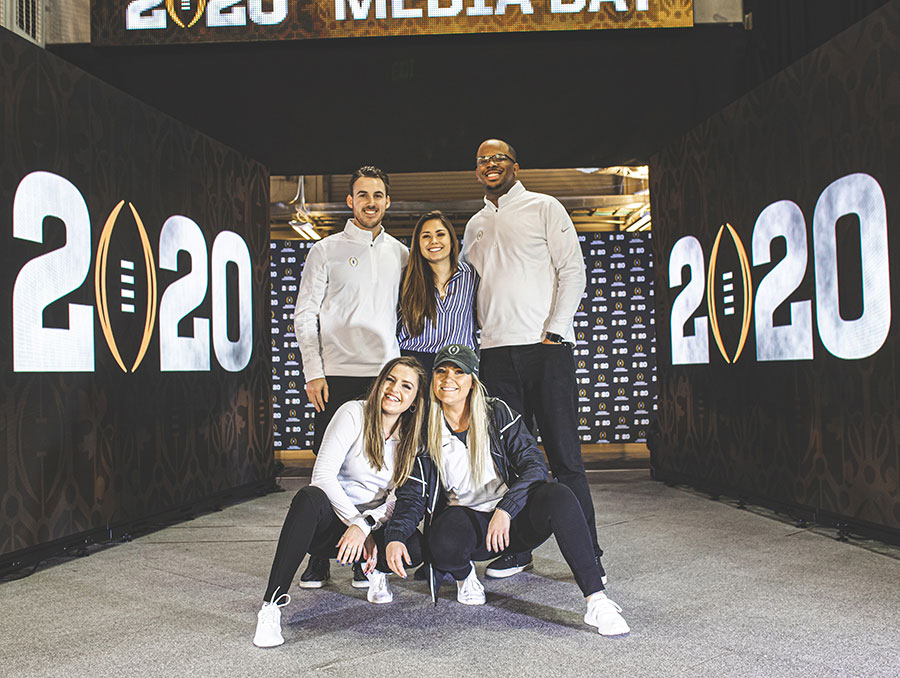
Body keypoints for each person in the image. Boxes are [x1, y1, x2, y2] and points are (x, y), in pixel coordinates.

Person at [383, 345, 629, 637]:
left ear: (473, 380)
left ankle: (596, 601)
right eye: (442, 371)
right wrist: (397, 535)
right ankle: (465, 577)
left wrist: (507, 508)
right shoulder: (424, 430)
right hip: (468, 524)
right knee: (442, 541)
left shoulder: (496, 411)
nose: (449, 378)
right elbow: (412, 494)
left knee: (559, 495)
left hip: (512, 520)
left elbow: (534, 465)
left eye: (459, 371)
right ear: (434, 380)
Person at [461, 139, 605, 581]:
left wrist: (555, 332)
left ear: (515, 166)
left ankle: (590, 556)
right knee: (510, 461)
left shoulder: (546, 206)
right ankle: (518, 550)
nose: (490, 165)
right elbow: (469, 288)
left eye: (498, 159)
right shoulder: (475, 224)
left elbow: (573, 270)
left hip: (546, 350)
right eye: (483, 160)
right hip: (495, 355)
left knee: (565, 459)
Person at [253, 357, 427, 648]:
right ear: (380, 381)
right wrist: (355, 523)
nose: (395, 389)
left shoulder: (413, 439)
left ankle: (376, 571)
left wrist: (367, 526)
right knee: (308, 499)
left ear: (414, 400)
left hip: (372, 524)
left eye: (406, 386)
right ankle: (271, 606)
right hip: (333, 523)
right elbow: (322, 477)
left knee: (414, 546)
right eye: (390, 379)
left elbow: (398, 498)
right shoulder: (352, 413)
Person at [293, 165, 408, 588]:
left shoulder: (401, 253)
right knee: (330, 468)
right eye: (363, 195)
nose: (371, 202)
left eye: (378, 195)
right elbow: (305, 315)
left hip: (384, 376)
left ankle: (366, 556)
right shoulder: (324, 250)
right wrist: (313, 371)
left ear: (387, 201)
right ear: (350, 201)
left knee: (380, 469)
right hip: (336, 375)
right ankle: (318, 556)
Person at [398, 210, 478, 374]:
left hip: (458, 363)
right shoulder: (405, 278)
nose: (433, 241)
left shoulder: (471, 276)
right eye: (426, 236)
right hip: (414, 363)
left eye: (440, 234)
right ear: (418, 243)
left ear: (452, 239)